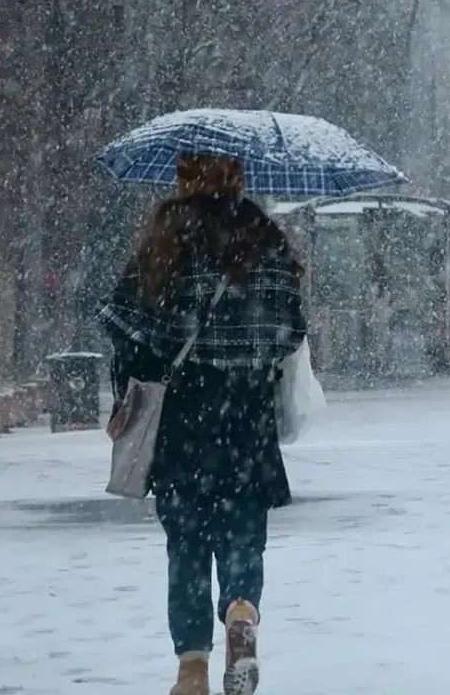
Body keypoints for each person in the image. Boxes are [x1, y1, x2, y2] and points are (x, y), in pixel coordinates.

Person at [96, 154, 307, 695]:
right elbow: (289, 333)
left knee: (186, 545)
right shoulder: (265, 241)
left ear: (184, 177)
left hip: (183, 417)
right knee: (243, 533)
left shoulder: (166, 240)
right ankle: (240, 611)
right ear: (236, 178)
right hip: (246, 416)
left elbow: (122, 325)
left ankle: (192, 669)